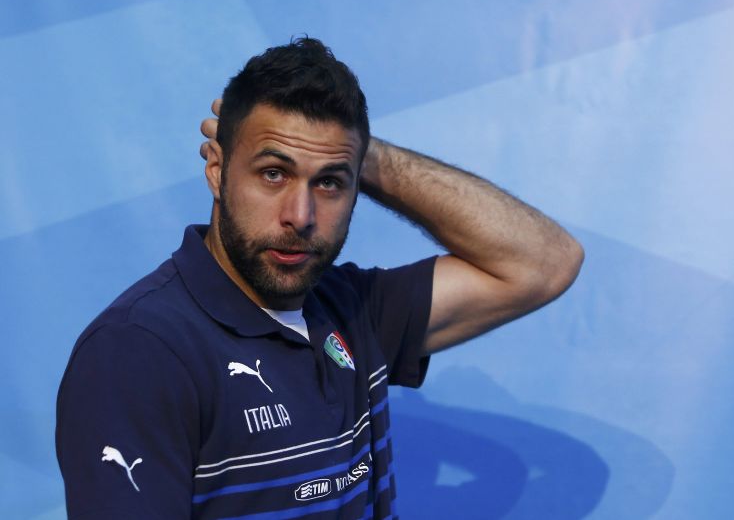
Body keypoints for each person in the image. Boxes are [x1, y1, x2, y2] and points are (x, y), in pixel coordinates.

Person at [56, 37, 583, 519]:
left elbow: (544, 263)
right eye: (273, 173)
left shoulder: (353, 308)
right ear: (216, 170)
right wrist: (334, 155)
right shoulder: (139, 351)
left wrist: (361, 153)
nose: (300, 215)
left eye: (329, 183)